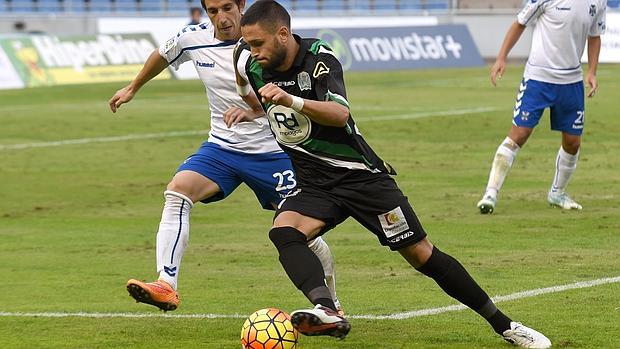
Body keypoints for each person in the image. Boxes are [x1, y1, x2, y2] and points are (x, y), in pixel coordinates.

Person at [230, 1, 551, 347]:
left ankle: (506, 326)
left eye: (258, 43)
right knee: (284, 231)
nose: (253, 51)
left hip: (361, 178)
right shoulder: (249, 62)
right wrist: (251, 111)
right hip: (314, 183)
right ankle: (328, 310)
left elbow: (339, 114)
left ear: (282, 34)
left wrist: (292, 100)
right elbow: (254, 93)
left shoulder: (320, 59)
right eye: (248, 45)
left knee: (422, 255)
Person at [108, 0, 342, 314]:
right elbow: (163, 54)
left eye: (227, 8)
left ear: (242, 5)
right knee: (178, 190)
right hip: (222, 149)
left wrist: (252, 112)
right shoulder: (193, 38)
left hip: (274, 153)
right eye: (213, 10)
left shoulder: (262, 46)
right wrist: (133, 86)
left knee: (302, 232)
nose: (221, 17)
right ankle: (166, 284)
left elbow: (284, 96)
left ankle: (330, 304)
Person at [476, 0, 607, 214]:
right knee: (519, 134)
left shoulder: (599, 2)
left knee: (573, 142)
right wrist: (501, 58)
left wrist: (592, 71)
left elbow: (595, 36)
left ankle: (557, 192)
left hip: (571, 81)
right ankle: (490, 193)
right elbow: (520, 23)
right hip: (538, 79)